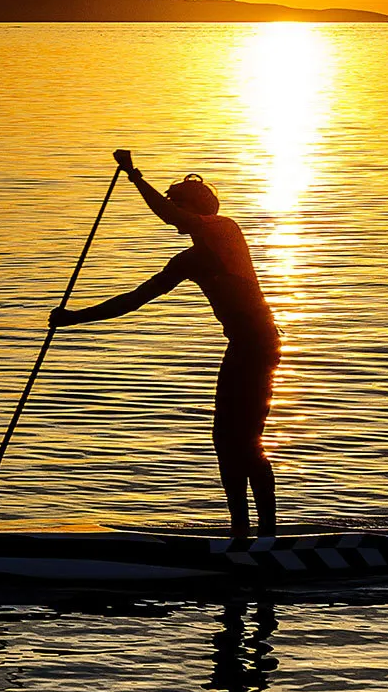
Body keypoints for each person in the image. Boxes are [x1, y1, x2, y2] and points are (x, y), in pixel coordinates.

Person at [49, 150, 281, 538]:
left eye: (179, 204)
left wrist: (134, 176)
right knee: (224, 440)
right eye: (174, 203)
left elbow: (171, 216)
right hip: (241, 347)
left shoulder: (226, 230)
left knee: (245, 441)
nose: (174, 211)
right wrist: (74, 318)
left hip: (260, 346)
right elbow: (133, 299)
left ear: (197, 209)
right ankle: (240, 531)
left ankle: (268, 537)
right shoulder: (187, 261)